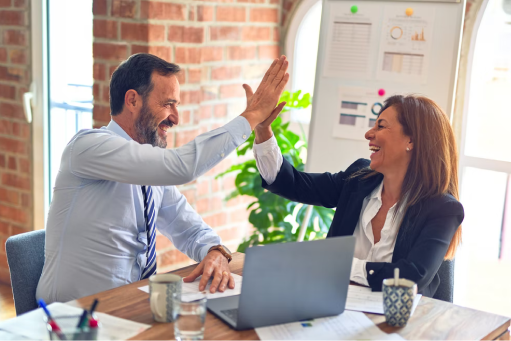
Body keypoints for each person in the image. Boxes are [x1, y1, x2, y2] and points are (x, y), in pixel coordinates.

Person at [36, 53, 289, 303]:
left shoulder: (150, 173)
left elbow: (188, 228)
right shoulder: (88, 147)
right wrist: (252, 116)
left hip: (129, 309)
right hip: (72, 319)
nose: (175, 118)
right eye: (168, 104)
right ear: (133, 100)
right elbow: (182, 167)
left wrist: (215, 251)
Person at [252, 94, 464, 297]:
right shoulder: (358, 180)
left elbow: (411, 278)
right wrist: (263, 130)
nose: (369, 134)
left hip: (400, 324)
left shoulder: (443, 209)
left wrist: (340, 265)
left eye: (380, 126)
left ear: (411, 140)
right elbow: (292, 183)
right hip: (335, 308)